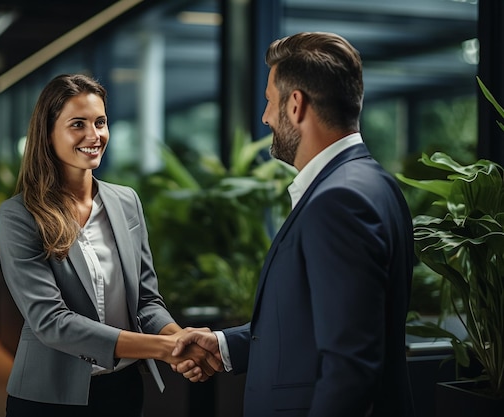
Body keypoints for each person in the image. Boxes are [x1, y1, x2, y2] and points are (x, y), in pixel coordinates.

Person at [172, 32, 415, 417]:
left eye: (270, 101)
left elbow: (350, 366)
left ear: (296, 104)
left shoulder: (339, 201)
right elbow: (318, 329)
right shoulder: (375, 184)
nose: (266, 116)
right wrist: (225, 345)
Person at [0, 73, 220, 417]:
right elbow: (51, 322)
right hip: (49, 397)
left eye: (100, 122)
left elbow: (145, 301)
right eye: (78, 124)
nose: (94, 135)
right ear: (48, 133)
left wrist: (181, 338)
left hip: (122, 390)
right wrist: (164, 347)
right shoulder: (19, 216)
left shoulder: (126, 201)